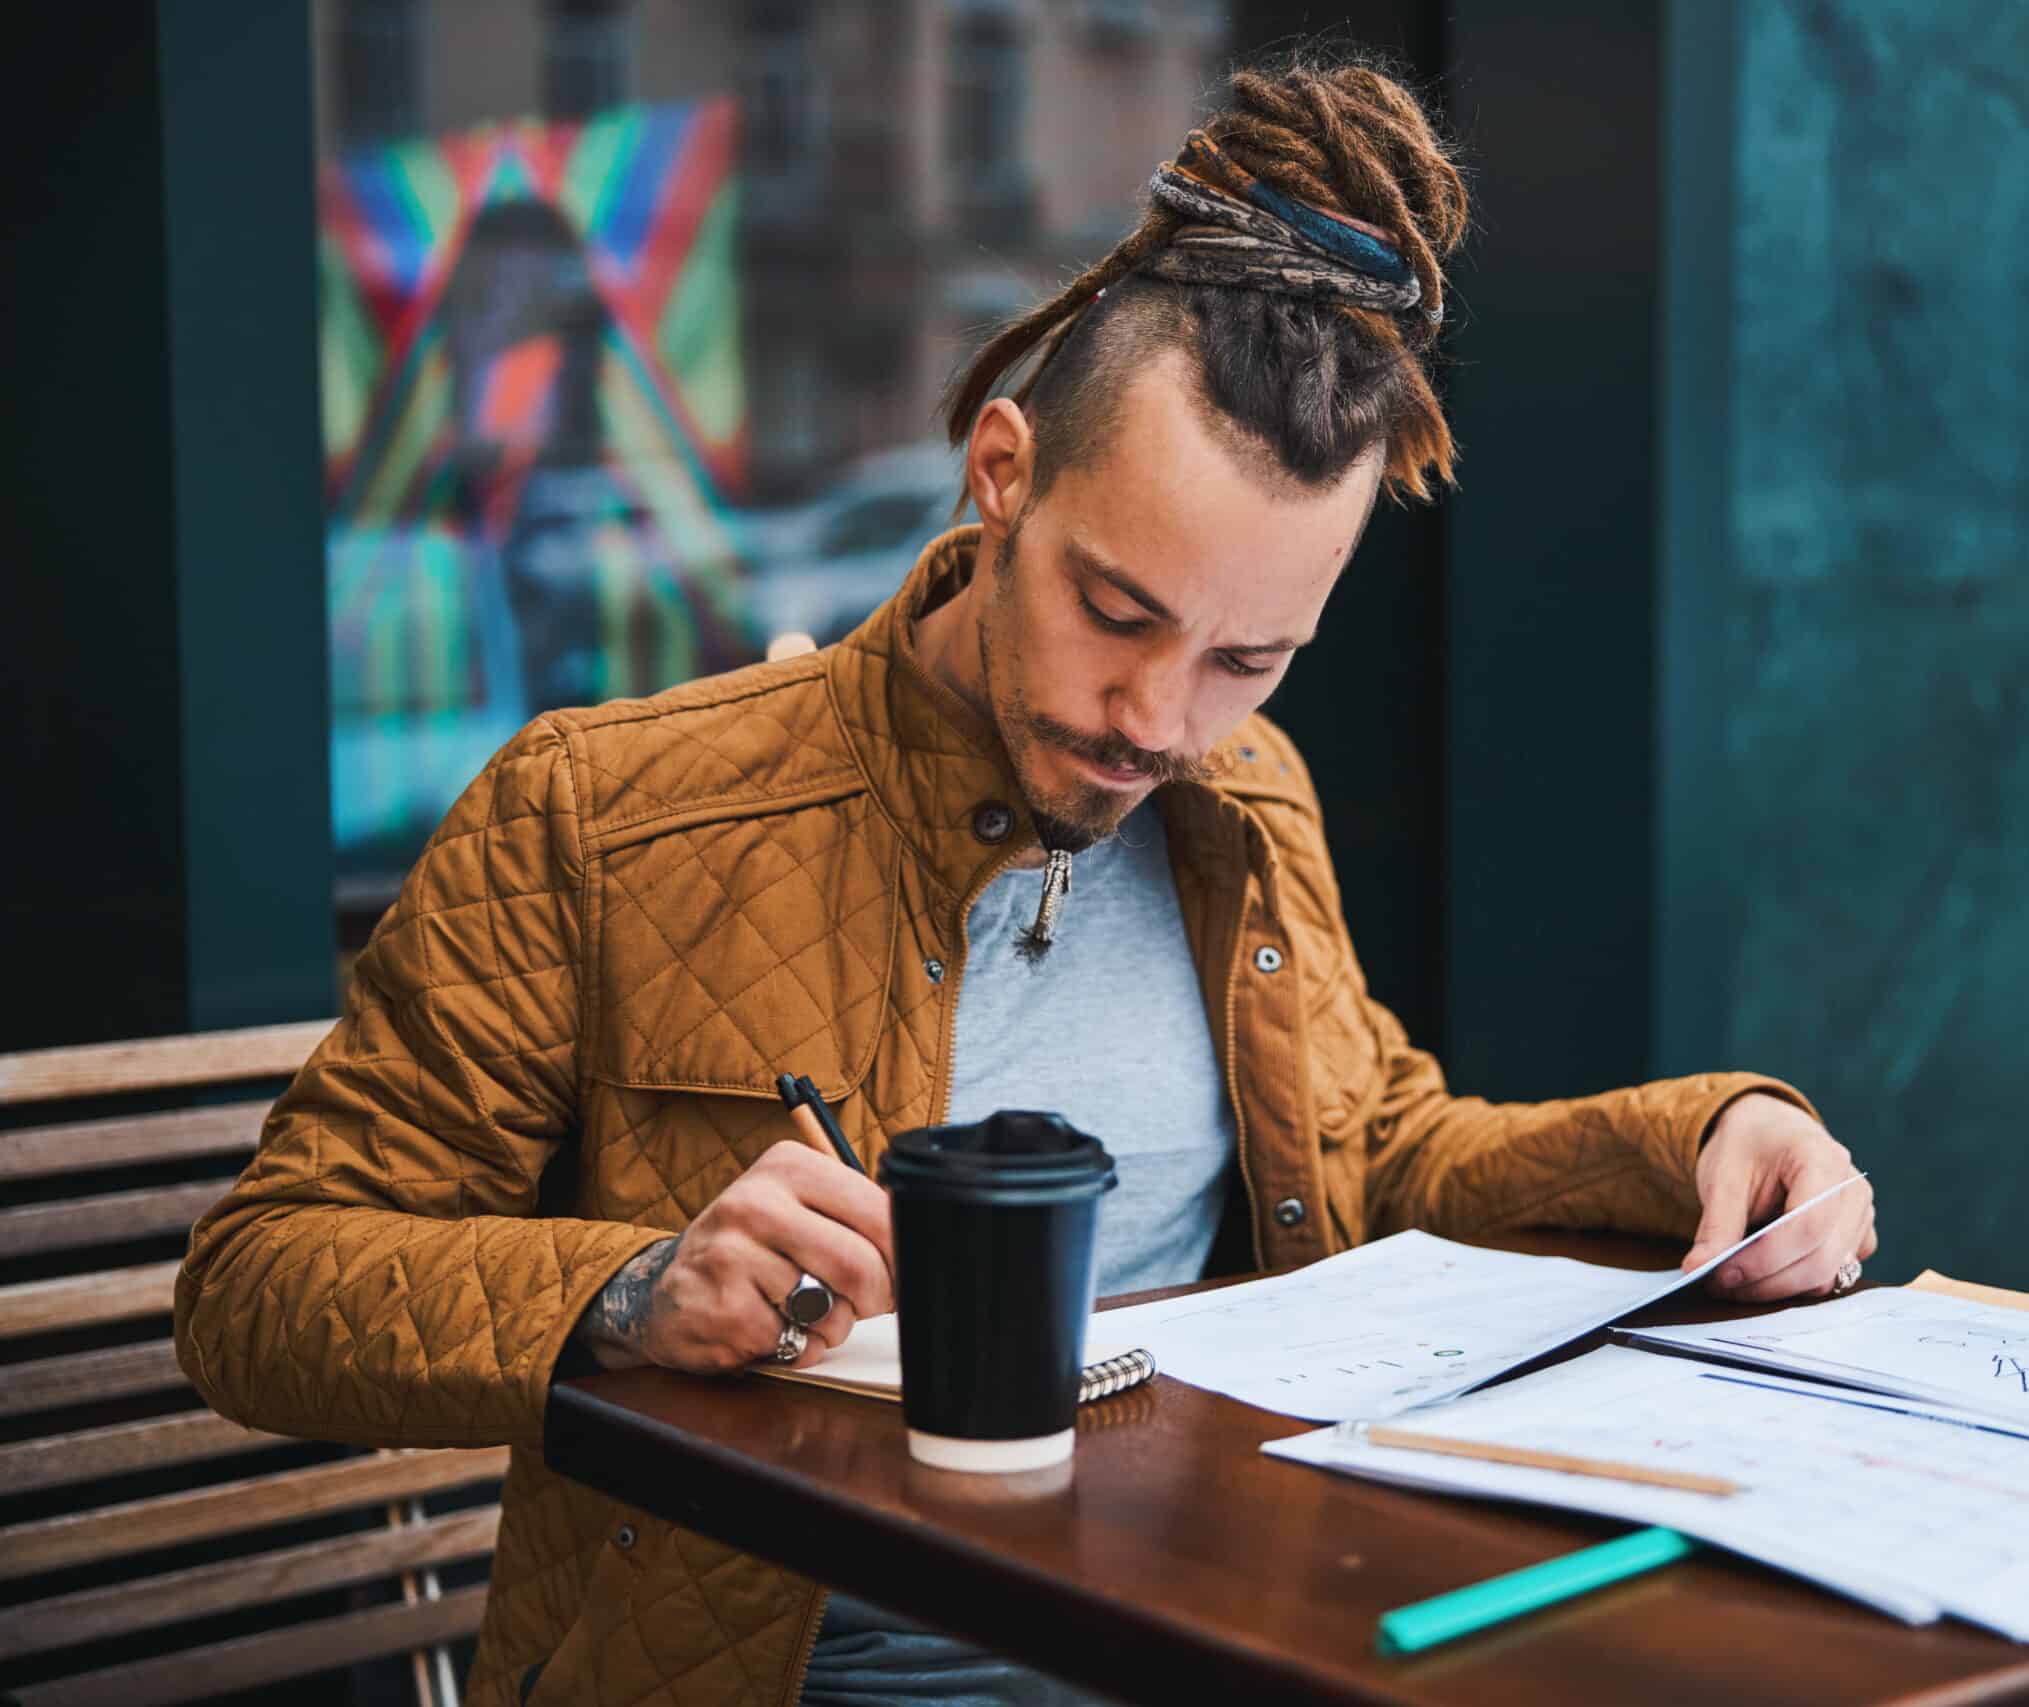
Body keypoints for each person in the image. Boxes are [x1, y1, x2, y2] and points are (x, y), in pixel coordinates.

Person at [176, 53, 1877, 1707]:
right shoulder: (604, 814)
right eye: (1119, 613)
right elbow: (260, 1286)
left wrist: (1700, 1141)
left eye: (1249, 658)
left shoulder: (1246, 803)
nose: (1158, 722)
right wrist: (627, 1292)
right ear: (1002, 475)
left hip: (1209, 1648)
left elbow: (1376, 1152)